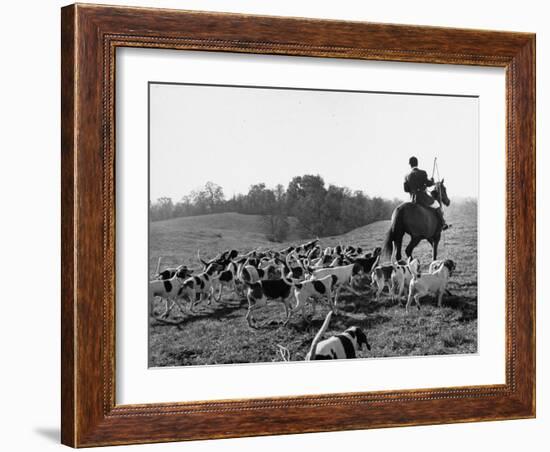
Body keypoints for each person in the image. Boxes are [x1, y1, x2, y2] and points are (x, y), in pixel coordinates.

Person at [403, 156, 448, 230]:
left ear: (410, 165)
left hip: (410, 199)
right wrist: (432, 181)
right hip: (422, 198)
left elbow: (405, 189)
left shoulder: (406, 176)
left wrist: (413, 190)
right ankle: (443, 223)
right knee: (436, 205)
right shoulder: (422, 173)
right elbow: (428, 184)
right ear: (417, 163)